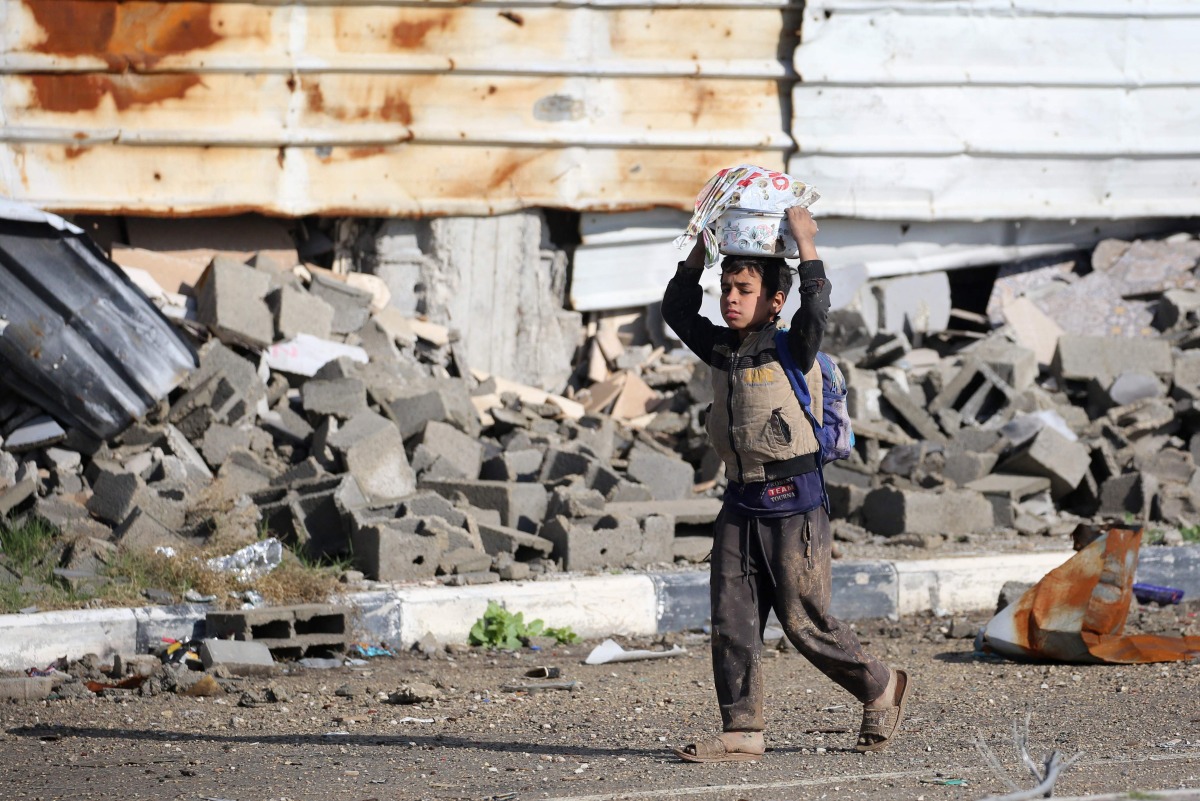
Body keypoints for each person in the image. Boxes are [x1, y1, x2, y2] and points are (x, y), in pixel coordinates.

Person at [662, 205, 912, 763]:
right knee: (733, 621)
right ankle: (741, 732)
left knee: (806, 623)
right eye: (726, 287)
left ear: (775, 301)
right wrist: (697, 258)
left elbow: (815, 309)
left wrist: (805, 246)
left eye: (744, 289)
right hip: (740, 502)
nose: (730, 298)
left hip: (794, 506)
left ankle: (878, 685)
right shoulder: (724, 349)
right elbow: (678, 311)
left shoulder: (790, 347)